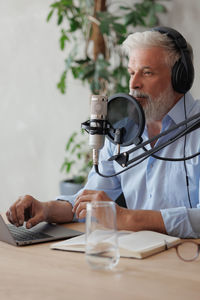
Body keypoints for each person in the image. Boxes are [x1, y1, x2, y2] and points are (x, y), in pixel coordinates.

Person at [6, 27, 200, 238]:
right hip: (137, 257)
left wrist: (128, 218)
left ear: (180, 77)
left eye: (147, 72)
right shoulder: (122, 130)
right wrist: (47, 209)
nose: (134, 84)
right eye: (131, 72)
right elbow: (91, 200)